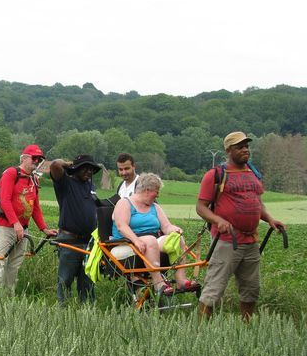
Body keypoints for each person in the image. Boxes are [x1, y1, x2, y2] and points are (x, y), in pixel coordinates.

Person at [196, 131, 285, 320]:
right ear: (229, 150)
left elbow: (257, 203)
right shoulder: (216, 174)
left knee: (251, 289)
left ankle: (246, 328)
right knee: (213, 289)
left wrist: (269, 219)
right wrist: (218, 220)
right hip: (227, 241)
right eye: (240, 147)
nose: (245, 150)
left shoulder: (253, 173)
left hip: (251, 241)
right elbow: (201, 207)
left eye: (247, 146)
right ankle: (200, 331)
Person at [111, 173, 197, 296]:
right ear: (147, 190)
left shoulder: (155, 207)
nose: (158, 195)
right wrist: (136, 240)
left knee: (178, 239)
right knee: (150, 240)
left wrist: (174, 230)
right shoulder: (124, 203)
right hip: (128, 242)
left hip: (151, 242)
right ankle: (158, 284)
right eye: (156, 191)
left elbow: (166, 226)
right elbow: (122, 226)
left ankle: (181, 280)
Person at [0, 144, 57, 289]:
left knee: (14, 265)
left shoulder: (34, 180)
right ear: (24, 158)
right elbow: (4, 200)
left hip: (22, 229)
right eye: (34, 158)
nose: (37, 162)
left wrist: (44, 229)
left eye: (40, 159)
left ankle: (8, 296)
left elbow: (35, 207)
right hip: (5, 227)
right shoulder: (11, 174)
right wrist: (15, 223)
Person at [50, 154, 102, 304]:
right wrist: (71, 164)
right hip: (70, 241)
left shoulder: (91, 187)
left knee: (87, 281)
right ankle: (63, 310)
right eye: (85, 168)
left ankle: (86, 312)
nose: (89, 171)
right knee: (65, 279)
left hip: (89, 242)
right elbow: (55, 165)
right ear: (76, 168)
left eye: (91, 169)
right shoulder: (65, 183)